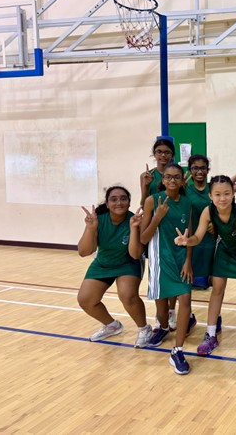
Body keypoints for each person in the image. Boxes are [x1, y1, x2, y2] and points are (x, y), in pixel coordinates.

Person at [174, 175, 236, 356]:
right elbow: (198, 237)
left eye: (227, 193)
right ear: (210, 196)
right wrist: (187, 241)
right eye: (217, 194)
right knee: (217, 290)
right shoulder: (208, 211)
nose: (222, 198)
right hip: (225, 252)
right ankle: (210, 334)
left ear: (233, 194)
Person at [77, 186, 152, 348]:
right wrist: (91, 228)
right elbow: (83, 251)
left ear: (129, 202)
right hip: (103, 263)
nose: (119, 202)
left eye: (123, 199)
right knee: (85, 299)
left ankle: (144, 329)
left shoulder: (134, 220)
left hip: (128, 262)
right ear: (107, 203)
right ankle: (112, 326)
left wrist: (134, 228)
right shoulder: (98, 220)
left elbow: (135, 254)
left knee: (127, 295)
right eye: (114, 199)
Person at [140, 163, 195, 375]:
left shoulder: (187, 203)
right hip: (160, 259)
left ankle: (177, 350)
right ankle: (163, 328)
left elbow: (189, 235)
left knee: (185, 299)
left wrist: (188, 260)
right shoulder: (152, 200)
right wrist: (157, 217)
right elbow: (144, 237)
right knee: (162, 310)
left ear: (182, 181)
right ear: (162, 180)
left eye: (177, 177)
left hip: (181, 259)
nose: (172, 180)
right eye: (168, 177)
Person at [139, 137, 179, 330]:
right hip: (154, 226)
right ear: (154, 154)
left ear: (172, 155)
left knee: (174, 268)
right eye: (159, 152)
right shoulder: (147, 175)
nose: (163, 155)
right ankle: (160, 314)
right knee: (158, 271)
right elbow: (143, 203)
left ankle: (171, 310)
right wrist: (145, 186)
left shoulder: (177, 174)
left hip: (173, 225)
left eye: (167, 152)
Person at [185, 154, 215, 291]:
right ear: (190, 170)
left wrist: (216, 223)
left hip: (211, 239)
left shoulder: (213, 189)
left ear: (207, 170)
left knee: (212, 282)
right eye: (195, 168)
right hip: (192, 239)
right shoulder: (185, 190)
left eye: (203, 168)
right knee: (189, 283)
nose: (199, 171)